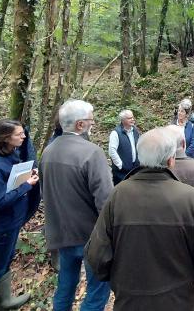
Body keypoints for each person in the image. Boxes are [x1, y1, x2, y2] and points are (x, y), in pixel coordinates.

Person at [85, 127, 194, 311]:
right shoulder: (191, 198)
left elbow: (97, 258)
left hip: (129, 302)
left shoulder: (117, 195)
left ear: (140, 158)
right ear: (170, 159)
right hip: (179, 302)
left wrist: (121, 280)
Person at [41, 100, 113, 311]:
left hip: (61, 234)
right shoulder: (92, 152)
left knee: (65, 287)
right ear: (80, 125)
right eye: (91, 119)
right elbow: (105, 201)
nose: (94, 123)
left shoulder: (48, 151)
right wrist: (112, 234)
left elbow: (44, 192)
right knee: (98, 289)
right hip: (90, 236)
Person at [0, 120, 41, 310]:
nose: (24, 137)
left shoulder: (12, 155)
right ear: (5, 138)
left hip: (15, 220)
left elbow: (13, 182)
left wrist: (29, 174)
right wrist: (27, 185)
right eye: (19, 134)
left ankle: (3, 301)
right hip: (4, 225)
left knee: (7, 260)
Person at [108, 109, 140, 185]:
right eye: (129, 118)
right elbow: (112, 151)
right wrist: (120, 165)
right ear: (123, 120)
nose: (132, 119)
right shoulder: (115, 133)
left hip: (134, 169)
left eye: (132, 117)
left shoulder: (135, 131)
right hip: (121, 173)